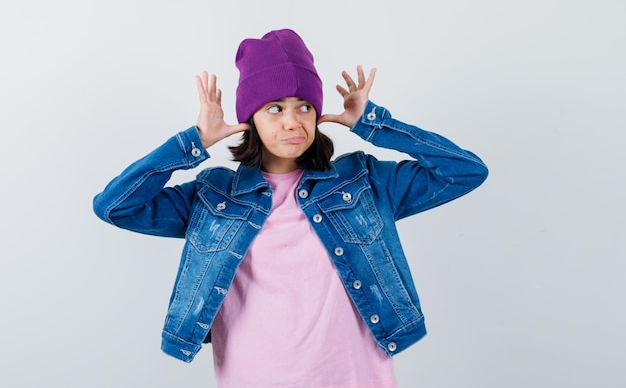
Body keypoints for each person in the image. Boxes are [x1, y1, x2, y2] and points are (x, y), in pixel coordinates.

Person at [93, 28, 488, 388]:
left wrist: (373, 123)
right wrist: (193, 141)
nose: (292, 122)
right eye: (275, 108)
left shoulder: (364, 182)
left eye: (304, 106)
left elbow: (465, 171)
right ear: (250, 119)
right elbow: (115, 206)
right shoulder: (214, 197)